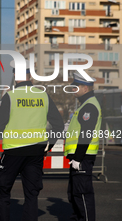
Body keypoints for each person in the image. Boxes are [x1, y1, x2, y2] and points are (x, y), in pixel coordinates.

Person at [0, 60, 64, 221]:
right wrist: (48, 146)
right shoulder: (43, 95)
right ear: (30, 75)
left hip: (14, 151)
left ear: (15, 77)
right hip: (36, 152)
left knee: (2, 190)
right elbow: (59, 125)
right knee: (32, 195)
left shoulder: (10, 96)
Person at [65, 72, 101, 221]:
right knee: (75, 195)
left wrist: (78, 158)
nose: (73, 90)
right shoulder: (85, 105)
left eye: (76, 87)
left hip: (82, 158)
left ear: (85, 88)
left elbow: (86, 134)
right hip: (79, 158)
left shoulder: (89, 106)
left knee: (82, 195)